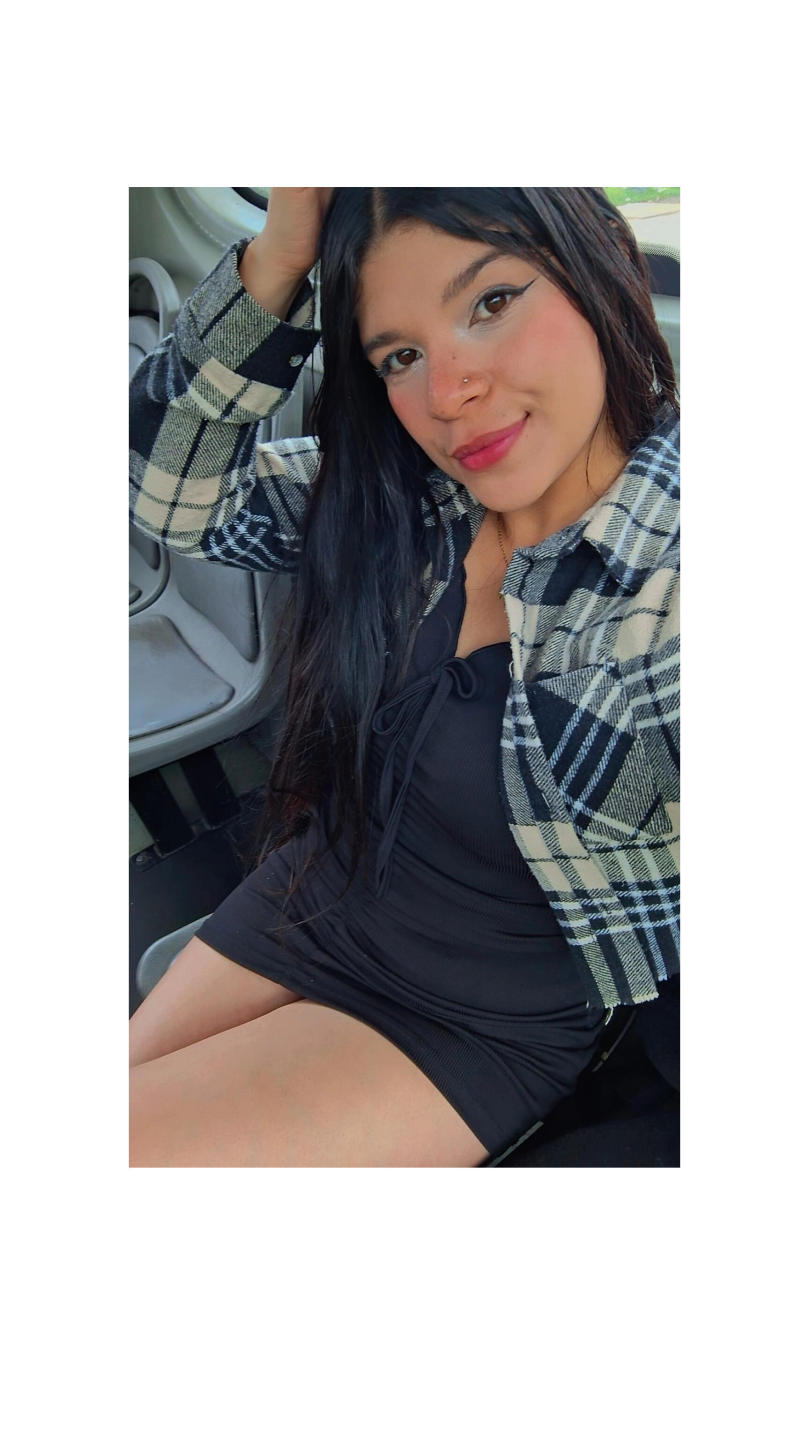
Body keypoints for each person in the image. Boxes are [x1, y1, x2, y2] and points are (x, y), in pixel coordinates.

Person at [129, 187, 680, 1168]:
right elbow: (169, 495)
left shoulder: (670, 575)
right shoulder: (415, 502)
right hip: (312, 888)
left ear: (598, 256)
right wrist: (278, 257)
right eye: (398, 356)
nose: (448, 393)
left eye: (491, 303)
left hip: (464, 1017)